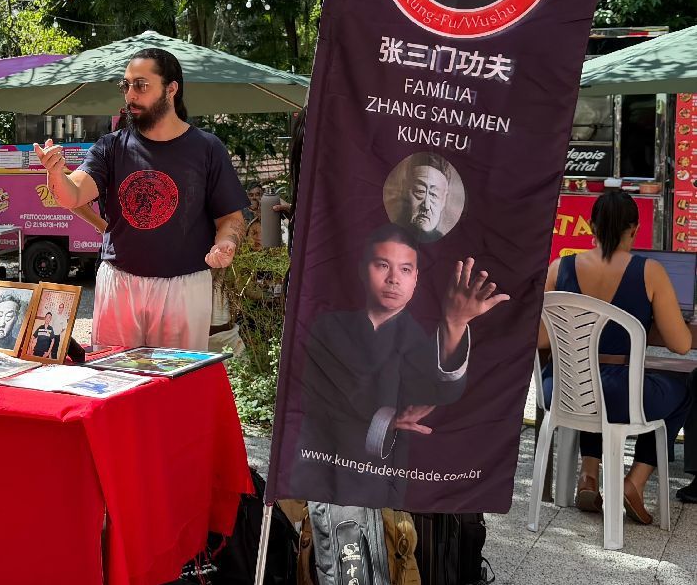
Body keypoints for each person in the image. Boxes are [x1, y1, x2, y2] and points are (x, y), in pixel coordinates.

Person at [35, 47, 248, 351]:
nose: (130, 94)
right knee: (112, 373)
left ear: (171, 89)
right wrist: (55, 173)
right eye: (126, 85)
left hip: (185, 287)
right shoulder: (110, 147)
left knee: (176, 378)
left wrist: (226, 242)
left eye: (141, 85)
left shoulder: (207, 148)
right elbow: (73, 194)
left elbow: (231, 218)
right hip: (119, 282)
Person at [294, 224, 506, 504]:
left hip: (384, 474)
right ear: (362, 269)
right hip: (319, 463)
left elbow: (440, 392)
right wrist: (386, 419)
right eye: (383, 265)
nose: (394, 279)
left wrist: (455, 324)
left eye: (405, 269)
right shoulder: (328, 327)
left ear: (416, 278)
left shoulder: (420, 341)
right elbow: (317, 396)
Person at [540, 191, 693, 524]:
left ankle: (589, 474)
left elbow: (539, 338)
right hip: (618, 395)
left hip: (562, 391)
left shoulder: (559, 268)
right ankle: (634, 481)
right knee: (682, 390)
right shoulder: (649, 272)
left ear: (591, 226)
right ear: (634, 229)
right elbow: (681, 344)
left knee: (592, 377)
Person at [389, 152, 454, 242]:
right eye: (420, 191)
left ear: (443, 201)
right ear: (404, 189)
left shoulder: (448, 245)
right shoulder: (385, 236)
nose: (426, 206)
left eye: (434, 195)